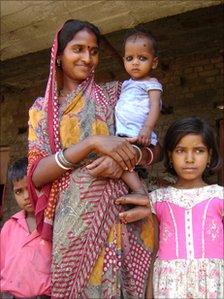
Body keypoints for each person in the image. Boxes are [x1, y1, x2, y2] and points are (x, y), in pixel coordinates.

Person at [27, 19, 155, 298]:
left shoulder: (117, 94)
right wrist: (91, 143)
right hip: (72, 227)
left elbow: (150, 148)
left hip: (122, 216)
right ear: (58, 56)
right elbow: (36, 174)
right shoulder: (43, 109)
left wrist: (126, 156)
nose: (87, 58)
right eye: (78, 49)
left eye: (94, 51)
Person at [145, 117, 223, 298]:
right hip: (169, 286)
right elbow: (153, 250)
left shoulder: (219, 196)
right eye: (181, 151)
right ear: (170, 155)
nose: (190, 159)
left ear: (210, 155)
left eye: (199, 150)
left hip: (212, 285)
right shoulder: (157, 200)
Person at [114, 28, 162, 223]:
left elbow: (155, 106)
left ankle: (140, 192)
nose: (135, 63)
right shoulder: (125, 85)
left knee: (123, 161)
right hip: (124, 133)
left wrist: (147, 129)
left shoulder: (152, 82)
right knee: (124, 162)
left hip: (139, 133)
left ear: (154, 62)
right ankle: (138, 192)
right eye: (129, 58)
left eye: (142, 58)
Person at [0, 157, 51, 299]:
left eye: (30, 188)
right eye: (19, 191)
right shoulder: (9, 227)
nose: (26, 196)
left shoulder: (52, 223)